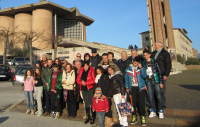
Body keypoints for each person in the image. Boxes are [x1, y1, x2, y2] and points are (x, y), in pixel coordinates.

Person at [124, 56, 147, 126]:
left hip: (140, 88)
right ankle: (134, 116)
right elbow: (126, 79)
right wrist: (127, 87)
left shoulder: (140, 68)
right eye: (134, 63)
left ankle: (143, 117)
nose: (135, 64)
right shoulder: (128, 69)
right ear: (132, 61)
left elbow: (144, 76)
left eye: (137, 63)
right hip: (132, 88)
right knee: (132, 103)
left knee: (141, 103)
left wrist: (141, 68)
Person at [142, 49, 164, 119]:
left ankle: (160, 111)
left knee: (158, 96)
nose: (145, 56)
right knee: (150, 96)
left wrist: (161, 82)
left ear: (149, 55)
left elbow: (159, 72)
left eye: (146, 55)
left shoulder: (155, 62)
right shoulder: (143, 63)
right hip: (148, 81)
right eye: (144, 55)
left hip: (155, 80)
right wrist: (144, 84)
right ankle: (152, 110)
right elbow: (143, 74)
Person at [151, 41, 171, 108]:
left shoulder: (165, 53)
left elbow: (168, 64)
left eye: (156, 45)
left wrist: (166, 74)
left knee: (162, 90)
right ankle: (156, 103)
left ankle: (163, 103)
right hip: (153, 75)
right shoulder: (153, 53)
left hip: (162, 75)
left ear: (160, 45)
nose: (155, 46)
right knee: (154, 90)